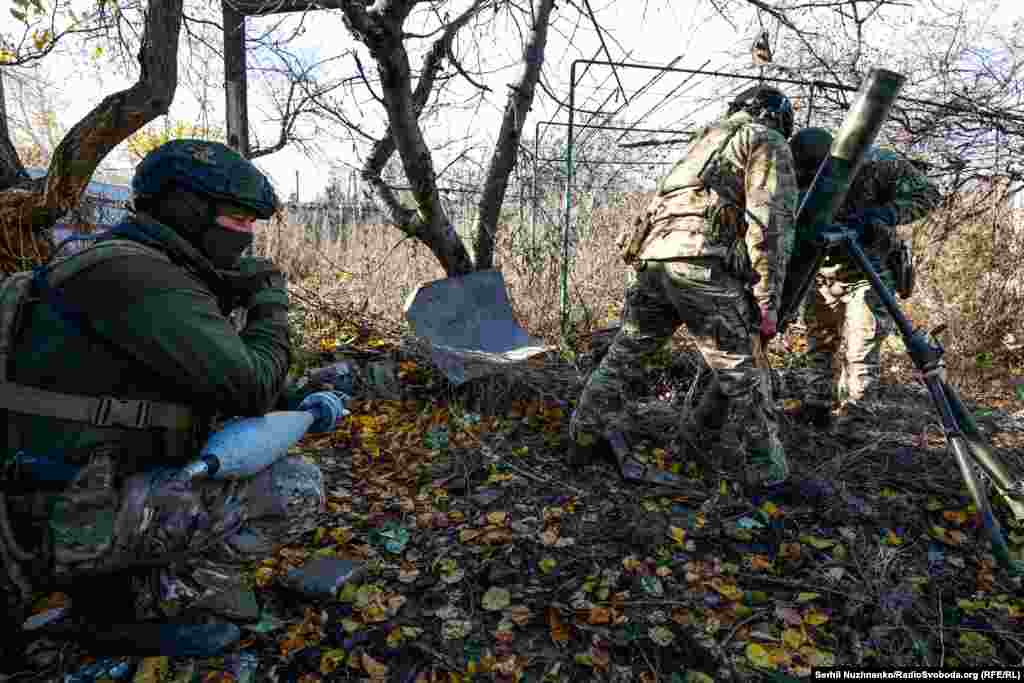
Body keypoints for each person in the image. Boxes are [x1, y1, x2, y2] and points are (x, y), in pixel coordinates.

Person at [0, 140, 324, 646]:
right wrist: (269, 303)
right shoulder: (139, 275)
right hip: (63, 518)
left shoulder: (106, 260)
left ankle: (109, 587)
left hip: (49, 491)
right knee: (295, 488)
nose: (249, 234)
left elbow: (191, 384)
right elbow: (253, 387)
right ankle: (132, 610)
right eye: (238, 218)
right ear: (187, 210)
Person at [570, 85, 799, 489]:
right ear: (775, 115)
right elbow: (771, 225)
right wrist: (768, 301)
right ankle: (770, 478)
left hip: (653, 261)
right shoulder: (764, 138)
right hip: (701, 265)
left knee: (625, 355)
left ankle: (582, 438)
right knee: (743, 373)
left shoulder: (703, 140)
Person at [788, 127, 941, 427]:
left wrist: (883, 216)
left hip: (868, 269)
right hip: (820, 269)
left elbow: (928, 194)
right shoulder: (788, 175)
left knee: (863, 344)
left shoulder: (877, 163)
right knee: (820, 341)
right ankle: (816, 406)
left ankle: (856, 417)